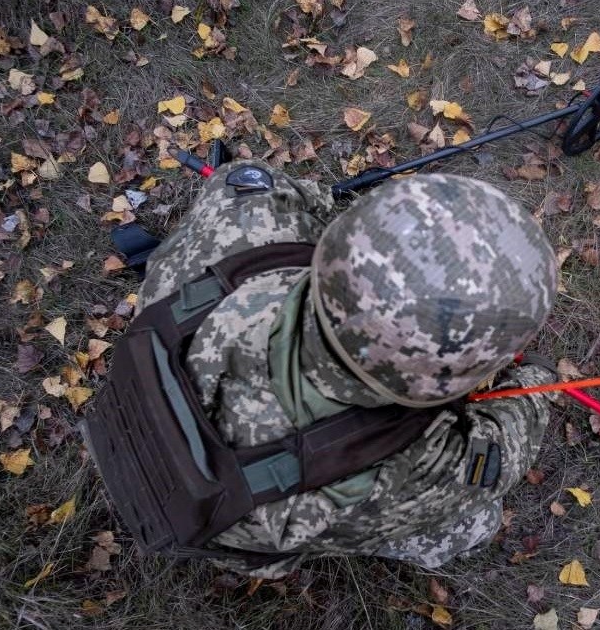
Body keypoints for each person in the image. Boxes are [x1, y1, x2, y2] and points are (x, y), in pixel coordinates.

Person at [122, 160, 559, 578]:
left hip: (147, 399)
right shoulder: (409, 471)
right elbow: (499, 458)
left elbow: (248, 179)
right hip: (234, 523)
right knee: (475, 522)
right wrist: (540, 379)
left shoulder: (244, 225)